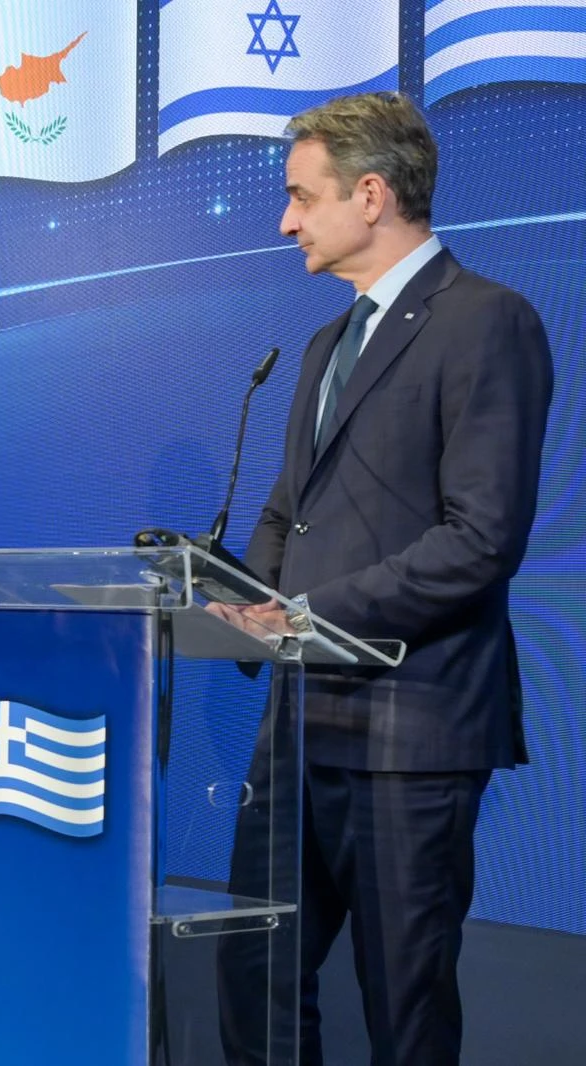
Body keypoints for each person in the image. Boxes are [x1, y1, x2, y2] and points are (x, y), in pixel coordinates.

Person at [214, 92, 553, 1065]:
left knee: (402, 1005)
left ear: (369, 195)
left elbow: (481, 537)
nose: (284, 221)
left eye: (298, 197)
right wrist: (247, 605)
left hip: (412, 724)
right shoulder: (324, 343)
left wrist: (308, 613)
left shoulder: (486, 321)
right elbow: (288, 509)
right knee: (252, 971)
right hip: (298, 722)